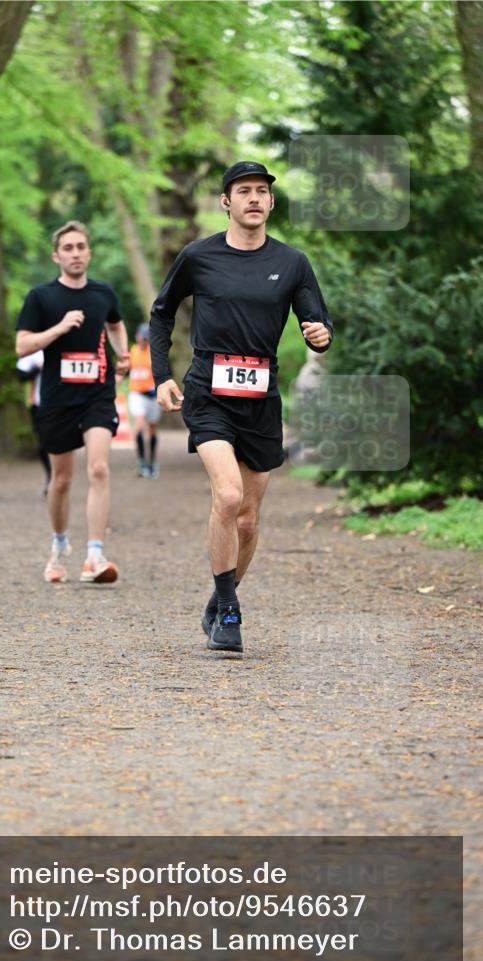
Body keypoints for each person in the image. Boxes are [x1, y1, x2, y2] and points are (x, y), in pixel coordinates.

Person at [150, 160, 333, 652]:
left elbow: (318, 323)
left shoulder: (293, 262)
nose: (254, 198)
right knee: (228, 496)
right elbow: (162, 313)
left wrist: (321, 333)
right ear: (225, 202)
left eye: (262, 191)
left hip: (261, 397)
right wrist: (161, 375)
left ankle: (219, 596)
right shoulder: (198, 256)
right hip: (209, 389)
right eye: (244, 191)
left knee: (248, 518)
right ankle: (230, 612)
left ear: (271, 202)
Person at [16, 220, 129, 584]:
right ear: (56, 256)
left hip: (98, 395)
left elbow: (115, 324)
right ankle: (59, 543)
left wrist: (123, 354)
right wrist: (60, 328)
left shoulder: (103, 293)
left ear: (89, 253)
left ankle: (94, 555)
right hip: (57, 399)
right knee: (61, 480)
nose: (75, 253)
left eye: (81, 247)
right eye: (68, 248)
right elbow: (22, 346)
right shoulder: (41, 297)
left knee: (99, 469)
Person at [128, 322, 162, 478]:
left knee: (153, 428)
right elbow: (126, 368)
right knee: (140, 426)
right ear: (137, 337)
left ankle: (152, 461)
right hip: (137, 394)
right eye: (141, 338)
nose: (143, 341)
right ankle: (141, 461)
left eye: (146, 339)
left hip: (152, 396)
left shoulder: (153, 353)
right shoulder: (132, 351)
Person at [16, 348, 52, 495]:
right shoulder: (34, 351)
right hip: (38, 404)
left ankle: (58, 476)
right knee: (43, 443)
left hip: (61, 404)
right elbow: (21, 375)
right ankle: (50, 475)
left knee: (59, 441)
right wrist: (38, 368)